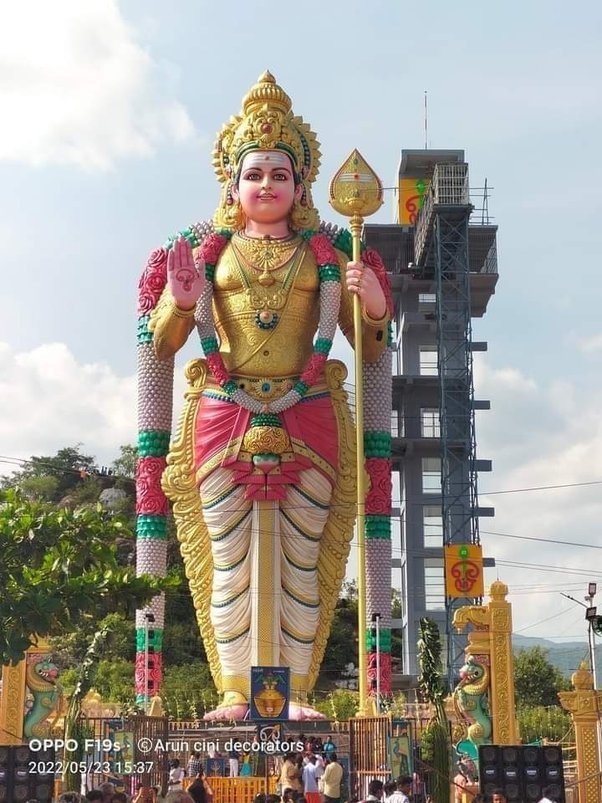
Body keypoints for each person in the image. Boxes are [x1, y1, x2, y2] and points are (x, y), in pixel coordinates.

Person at [138, 71, 391, 720]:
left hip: (309, 410)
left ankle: (296, 694)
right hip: (226, 410)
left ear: (301, 185)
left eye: (280, 175)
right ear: (233, 184)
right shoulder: (206, 252)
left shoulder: (329, 252)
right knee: (230, 559)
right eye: (255, 175)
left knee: (301, 559)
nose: (268, 186)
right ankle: (231, 692)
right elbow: (162, 341)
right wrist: (183, 301)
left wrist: (375, 305)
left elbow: (368, 343)